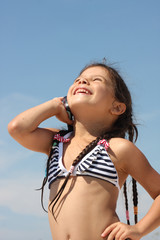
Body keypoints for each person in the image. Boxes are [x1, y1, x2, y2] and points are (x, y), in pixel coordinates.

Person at [8, 62, 160, 240]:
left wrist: (138, 229)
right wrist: (55, 105)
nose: (83, 82)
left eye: (96, 80)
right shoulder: (56, 142)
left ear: (117, 107)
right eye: (78, 80)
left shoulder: (118, 148)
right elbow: (17, 128)